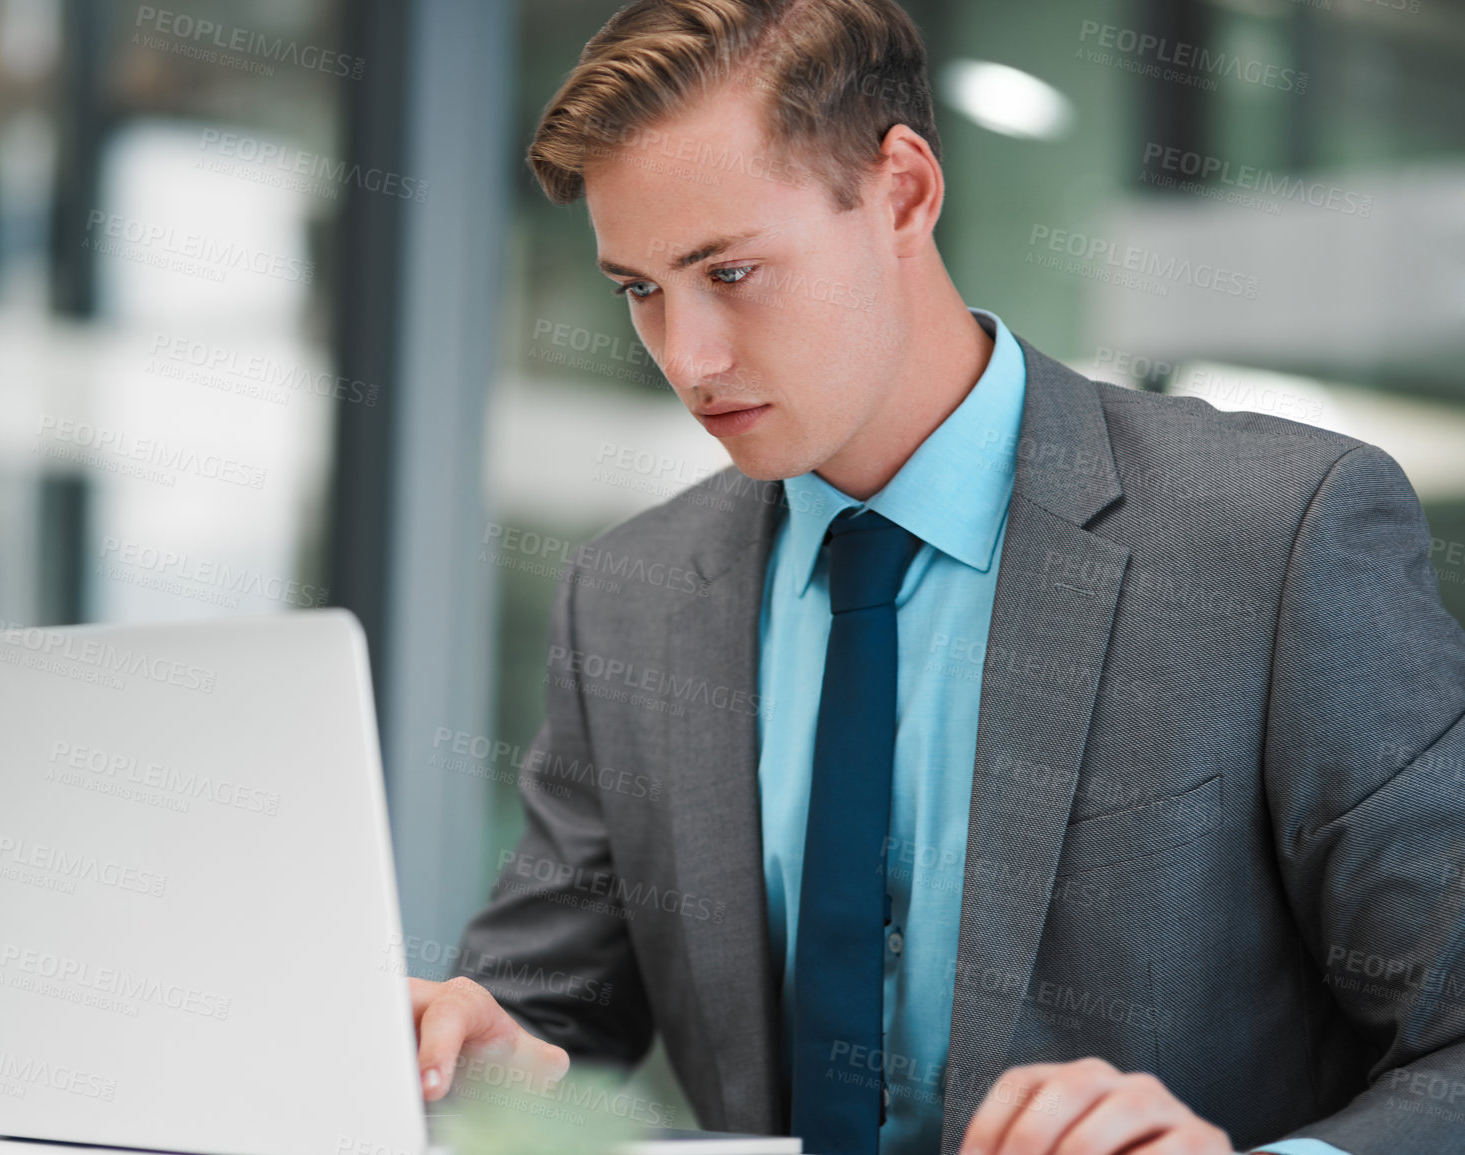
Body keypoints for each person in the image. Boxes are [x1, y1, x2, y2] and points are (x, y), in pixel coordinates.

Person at [409, 2, 1465, 1153]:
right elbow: (550, 1011)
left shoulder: (1276, 537)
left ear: (904, 193)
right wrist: (482, 1056)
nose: (687, 357)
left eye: (733, 270)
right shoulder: (633, 592)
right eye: (640, 289)